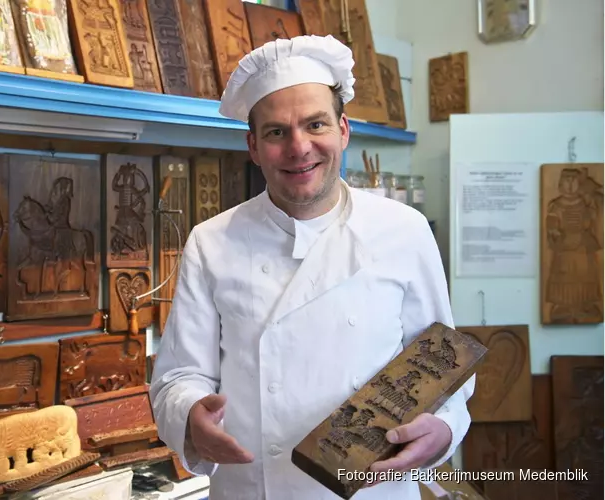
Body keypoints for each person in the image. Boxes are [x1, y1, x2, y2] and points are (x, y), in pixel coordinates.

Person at [149, 34, 475, 500]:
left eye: (315, 124)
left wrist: (442, 430)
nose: (299, 147)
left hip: (372, 490)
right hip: (253, 488)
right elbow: (179, 377)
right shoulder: (211, 241)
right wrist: (189, 417)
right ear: (253, 147)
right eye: (277, 132)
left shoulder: (405, 230)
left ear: (343, 130)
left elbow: (444, 368)